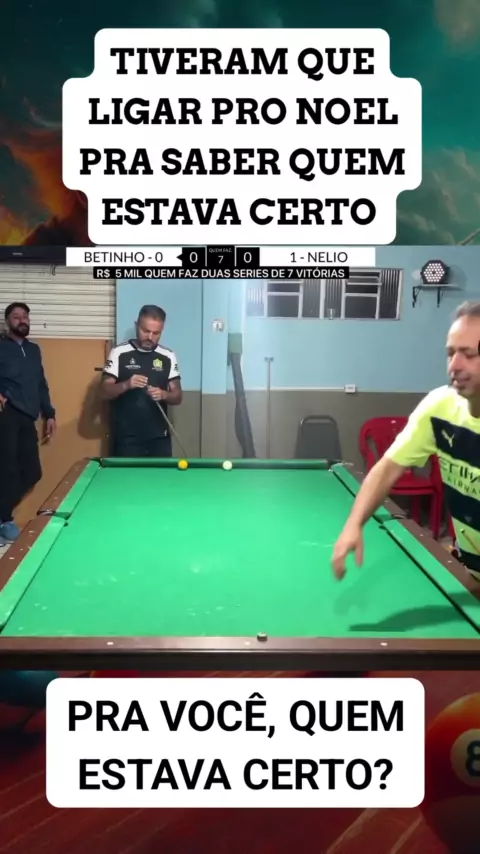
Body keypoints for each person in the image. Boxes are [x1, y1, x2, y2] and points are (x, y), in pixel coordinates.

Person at [332, 300, 480, 582]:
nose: (454, 365)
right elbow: (388, 468)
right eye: (450, 353)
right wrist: (354, 524)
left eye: (468, 354)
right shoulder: (439, 406)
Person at [0, 302, 56, 545]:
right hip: (7, 415)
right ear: (7, 322)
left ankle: (2, 516)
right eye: (16, 316)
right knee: (7, 471)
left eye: (25, 316)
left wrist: (49, 414)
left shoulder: (34, 350)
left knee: (32, 472)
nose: (22, 320)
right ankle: (6, 521)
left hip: (29, 416)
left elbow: (41, 384)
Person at [101, 304, 182, 457]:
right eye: (145, 331)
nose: (150, 337)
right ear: (136, 325)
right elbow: (104, 391)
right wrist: (127, 384)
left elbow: (177, 396)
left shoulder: (168, 356)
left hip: (159, 439)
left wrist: (164, 394)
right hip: (127, 439)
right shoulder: (119, 352)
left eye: (156, 333)